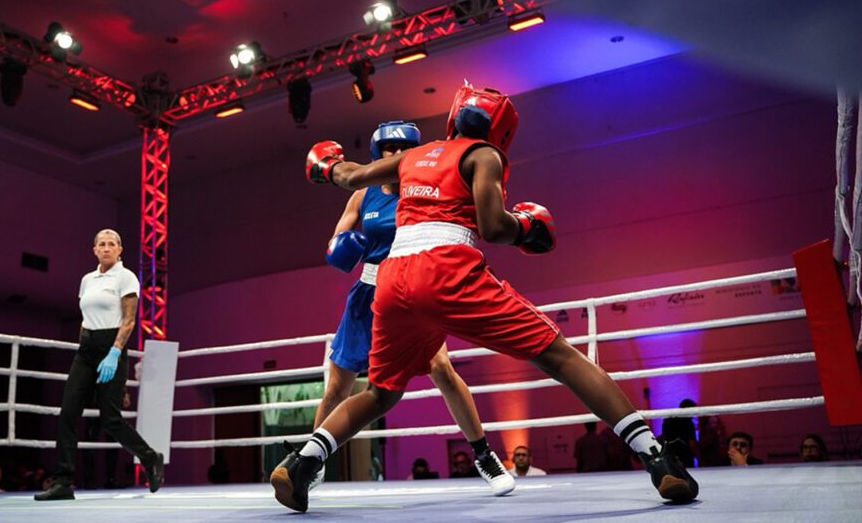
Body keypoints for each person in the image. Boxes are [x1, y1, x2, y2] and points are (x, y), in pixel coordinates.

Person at [271, 84, 698, 512]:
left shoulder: (414, 157)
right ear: (500, 130)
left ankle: (303, 461)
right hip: (448, 268)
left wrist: (325, 166)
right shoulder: (484, 155)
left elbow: (347, 175)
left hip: (393, 279)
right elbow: (494, 227)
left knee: (381, 393)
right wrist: (527, 227)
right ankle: (656, 457)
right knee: (561, 357)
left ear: (454, 117)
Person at [312, 121, 513, 495]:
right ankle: (310, 461)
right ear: (377, 153)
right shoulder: (363, 193)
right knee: (338, 383)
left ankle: (483, 455)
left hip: (407, 289)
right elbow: (335, 239)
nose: (394, 155)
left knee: (441, 369)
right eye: (387, 148)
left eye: (400, 148)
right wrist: (341, 244)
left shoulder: (421, 189)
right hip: (367, 293)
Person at [35, 229, 164, 501]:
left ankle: (151, 458)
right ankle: (63, 482)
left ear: (120, 249)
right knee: (68, 412)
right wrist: (85, 346)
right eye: (101, 244)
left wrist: (115, 352)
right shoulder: (87, 280)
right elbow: (85, 317)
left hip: (112, 345)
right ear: (94, 249)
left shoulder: (126, 277)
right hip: (86, 350)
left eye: (112, 244)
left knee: (110, 419)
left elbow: (129, 320)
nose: (106, 248)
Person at [661, 399, 698, 467]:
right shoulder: (688, 423)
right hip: (685, 457)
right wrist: (700, 459)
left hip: (670, 456)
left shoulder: (668, 420)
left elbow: (664, 438)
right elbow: (692, 444)